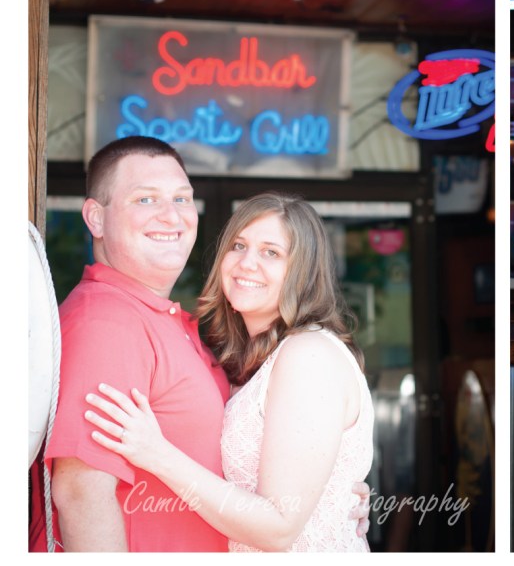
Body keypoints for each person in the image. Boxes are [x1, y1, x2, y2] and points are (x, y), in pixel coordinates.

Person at [35, 137, 367, 552]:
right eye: (145, 199)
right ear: (96, 219)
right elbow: (82, 493)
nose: (170, 215)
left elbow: (278, 501)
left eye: (181, 198)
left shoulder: (187, 329)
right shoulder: (106, 321)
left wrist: (328, 499)